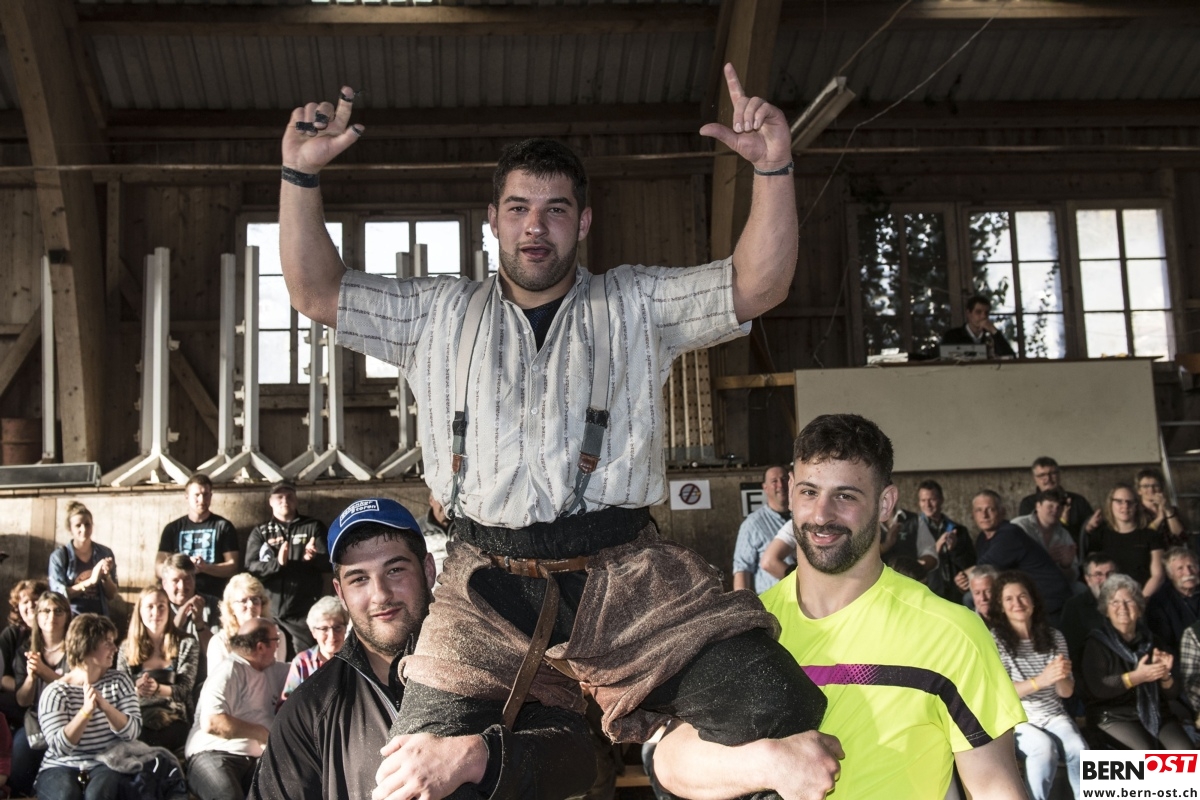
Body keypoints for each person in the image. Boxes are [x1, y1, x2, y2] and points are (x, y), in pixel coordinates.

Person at [279, 64, 827, 795]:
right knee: (416, 776)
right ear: (493, 218)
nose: (535, 227)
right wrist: (299, 176)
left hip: (627, 573)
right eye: (518, 208)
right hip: (482, 585)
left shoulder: (635, 303)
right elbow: (316, 290)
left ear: (584, 221)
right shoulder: (434, 314)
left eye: (556, 209)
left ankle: (685, 760)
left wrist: (774, 168)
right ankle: (483, 758)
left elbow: (759, 284)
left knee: (774, 705)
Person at [652, 414, 1027, 800]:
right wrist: (769, 763)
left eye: (845, 496)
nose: (821, 515)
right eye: (809, 492)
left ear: (885, 503)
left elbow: (995, 788)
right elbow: (670, 761)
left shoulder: (952, 634)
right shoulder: (746, 626)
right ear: (791, 491)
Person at [252, 498, 594, 800]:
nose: (380, 594)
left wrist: (479, 757)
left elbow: (579, 761)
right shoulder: (309, 710)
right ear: (340, 592)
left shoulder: (497, 656)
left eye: (395, 570)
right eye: (359, 579)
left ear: (429, 570)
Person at [987, 571, 1085, 800]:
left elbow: (1066, 692)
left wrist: (1060, 675)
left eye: (1022, 596)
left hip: (1053, 714)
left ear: (1033, 600)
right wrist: (1041, 680)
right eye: (1009, 598)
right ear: (1001, 606)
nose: (1017, 603)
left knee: (1079, 749)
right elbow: (1001, 693)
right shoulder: (995, 639)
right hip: (1018, 719)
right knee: (1043, 749)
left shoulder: (1054, 636)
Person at [1080, 573, 1193, 750]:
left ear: (1139, 608)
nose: (1122, 607)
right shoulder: (1096, 643)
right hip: (1112, 715)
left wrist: (1165, 676)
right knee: (1145, 755)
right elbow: (1099, 687)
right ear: (1106, 610)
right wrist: (1136, 677)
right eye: (1115, 602)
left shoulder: (1153, 641)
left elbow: (1172, 694)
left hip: (1155, 712)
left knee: (1186, 754)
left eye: (1129, 601)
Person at [34, 613, 141, 800]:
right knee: (66, 795)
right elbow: (60, 748)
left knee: (98, 795)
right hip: (61, 766)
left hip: (107, 763)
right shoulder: (55, 692)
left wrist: (106, 707)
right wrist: (85, 712)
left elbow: (132, 733)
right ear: (86, 646)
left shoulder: (120, 681)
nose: (115, 648)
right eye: (107, 643)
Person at [185, 617, 288, 800]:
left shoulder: (275, 671)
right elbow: (212, 722)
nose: (278, 646)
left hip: (256, 761)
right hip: (213, 754)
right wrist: (261, 733)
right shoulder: (229, 670)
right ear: (260, 647)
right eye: (276, 640)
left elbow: (309, 671)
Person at [244, 481, 331, 659]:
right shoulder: (261, 532)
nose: (284, 500)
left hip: (303, 613)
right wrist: (277, 563)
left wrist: (313, 558)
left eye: (289, 496)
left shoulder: (313, 526)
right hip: (271, 614)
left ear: (296, 500)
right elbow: (250, 567)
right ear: (270, 501)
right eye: (279, 497)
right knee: (271, 661)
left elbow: (329, 563)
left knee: (306, 662)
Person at [116, 585, 199, 753]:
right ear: (140, 611)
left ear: (169, 610)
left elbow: (185, 690)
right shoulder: (126, 648)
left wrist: (157, 689)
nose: (156, 612)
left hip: (174, 715)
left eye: (161, 606)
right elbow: (120, 691)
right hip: (138, 714)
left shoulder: (186, 643)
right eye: (150, 607)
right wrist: (137, 689)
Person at [972, 491, 1073, 624]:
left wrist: (962, 577)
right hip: (1024, 597)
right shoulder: (982, 538)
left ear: (1002, 512)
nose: (984, 515)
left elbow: (983, 570)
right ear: (973, 515)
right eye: (979, 510)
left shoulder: (1009, 533)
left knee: (972, 597)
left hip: (1048, 600)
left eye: (990, 509)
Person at [11, 591, 72, 797]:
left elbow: (77, 692)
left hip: (70, 721)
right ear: (37, 616)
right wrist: (31, 678)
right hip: (36, 721)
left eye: (58, 611)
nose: (52, 616)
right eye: (46, 611)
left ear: (67, 616)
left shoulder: (76, 650)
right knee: (20, 755)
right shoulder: (25, 651)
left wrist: (46, 673)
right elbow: (22, 701)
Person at [156, 474, 239, 599]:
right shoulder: (172, 529)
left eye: (206, 494)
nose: (202, 500)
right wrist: (183, 569)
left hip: (214, 595)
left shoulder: (224, 526)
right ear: (187, 496)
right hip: (180, 596)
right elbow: (158, 568)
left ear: (211, 496)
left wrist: (205, 568)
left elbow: (233, 567)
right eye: (197, 495)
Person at [1082, 482, 1165, 597]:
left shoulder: (1151, 535)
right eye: (1119, 501)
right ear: (1110, 504)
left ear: (1136, 505)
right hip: (1109, 598)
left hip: (1144, 596)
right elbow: (1094, 574)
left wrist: (1141, 600)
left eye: (1129, 502)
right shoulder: (1099, 535)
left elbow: (1158, 575)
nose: (1125, 506)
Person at [48, 501, 119, 618]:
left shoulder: (104, 553)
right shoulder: (60, 556)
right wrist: (90, 581)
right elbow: (57, 596)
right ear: (70, 528)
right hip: (72, 619)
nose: (84, 529)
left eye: (87, 524)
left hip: (99, 618)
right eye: (78, 525)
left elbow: (112, 595)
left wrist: (106, 577)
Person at [732, 466, 791, 593]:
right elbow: (742, 568)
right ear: (765, 488)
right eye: (774, 481)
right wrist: (743, 603)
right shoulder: (753, 524)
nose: (780, 485)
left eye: (784, 479)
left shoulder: (804, 517)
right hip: (773, 599)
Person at [1, 579, 49, 730]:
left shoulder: (53, 631)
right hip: (19, 699)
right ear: (18, 607)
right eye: (25, 602)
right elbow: (3, 678)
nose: (31, 605)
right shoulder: (11, 634)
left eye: (35, 600)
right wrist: (26, 687)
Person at [280, 595, 347, 701]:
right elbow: (286, 704)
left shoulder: (356, 660)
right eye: (324, 629)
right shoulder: (302, 662)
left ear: (345, 629)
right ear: (313, 632)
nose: (332, 635)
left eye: (337, 627)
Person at [207, 573, 274, 675]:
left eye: (255, 599)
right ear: (231, 608)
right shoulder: (219, 642)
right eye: (243, 601)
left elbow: (277, 677)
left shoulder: (275, 637)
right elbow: (216, 681)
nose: (251, 605)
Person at [1017, 457, 1094, 544]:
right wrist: (1062, 522)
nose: (1048, 478)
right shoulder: (1028, 503)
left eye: (1052, 473)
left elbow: (1093, 540)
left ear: (1059, 475)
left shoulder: (1078, 501)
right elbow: (1029, 537)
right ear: (1035, 479)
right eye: (1042, 475)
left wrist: (1088, 529)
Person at [1010, 487, 1079, 584]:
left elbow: (1072, 578)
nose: (1055, 511)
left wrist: (1066, 566)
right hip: (1023, 584)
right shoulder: (1019, 527)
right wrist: (1045, 559)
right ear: (1038, 506)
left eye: (1059, 507)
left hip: (1053, 584)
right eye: (1050, 506)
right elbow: (1010, 565)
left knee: (1080, 588)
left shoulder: (1064, 534)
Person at [1060, 553, 1118, 664]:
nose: (1105, 580)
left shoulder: (1128, 602)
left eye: (1110, 574)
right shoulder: (1074, 606)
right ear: (1087, 579)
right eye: (1098, 575)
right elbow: (1070, 647)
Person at [1145, 547, 1200, 650]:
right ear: (1170, 574)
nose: (1188, 573)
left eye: (1191, 566)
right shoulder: (1160, 603)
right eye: (1180, 569)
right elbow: (1164, 643)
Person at [940, 294, 1015, 358]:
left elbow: (1010, 357)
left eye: (986, 313)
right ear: (968, 314)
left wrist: (994, 331)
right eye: (978, 312)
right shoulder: (952, 336)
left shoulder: (993, 336)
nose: (983, 316)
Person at [1135, 468, 1187, 547]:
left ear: (1161, 488)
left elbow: (1182, 537)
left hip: (1171, 552)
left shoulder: (1172, 510)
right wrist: (1159, 518)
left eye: (1155, 485)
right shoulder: (1135, 511)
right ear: (1139, 490)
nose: (1151, 489)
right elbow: (1140, 539)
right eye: (1146, 486)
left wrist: (1168, 511)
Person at [420, 492, 452, 577]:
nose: (445, 505)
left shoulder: (465, 527)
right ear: (431, 501)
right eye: (441, 500)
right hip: (434, 581)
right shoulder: (418, 526)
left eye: (449, 500)